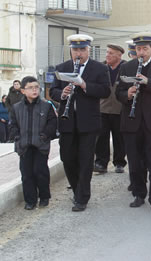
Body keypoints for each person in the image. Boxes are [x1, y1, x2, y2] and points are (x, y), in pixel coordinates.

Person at [50, 34, 111, 212]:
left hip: (88, 122)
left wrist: (84, 85)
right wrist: (62, 94)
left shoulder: (99, 68)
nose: (78, 53)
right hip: (67, 121)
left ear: (88, 50)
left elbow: (105, 91)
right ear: (71, 50)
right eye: (75, 50)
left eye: (82, 50)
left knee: (85, 160)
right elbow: (53, 91)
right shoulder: (62, 68)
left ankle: (82, 197)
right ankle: (77, 189)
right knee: (67, 158)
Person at [116, 33, 151, 211]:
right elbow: (118, 93)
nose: (141, 52)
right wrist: (128, 94)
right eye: (138, 49)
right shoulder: (127, 67)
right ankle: (139, 194)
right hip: (132, 122)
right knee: (134, 160)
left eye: (145, 49)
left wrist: (147, 82)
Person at [9, 76, 57, 210]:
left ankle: (44, 197)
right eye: (30, 88)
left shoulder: (46, 106)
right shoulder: (16, 107)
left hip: (40, 145)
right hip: (24, 146)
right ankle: (30, 200)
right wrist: (17, 137)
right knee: (26, 173)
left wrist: (45, 135)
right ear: (23, 91)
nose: (34, 90)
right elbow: (12, 125)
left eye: (36, 87)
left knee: (40, 171)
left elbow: (52, 123)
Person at [94, 44, 127, 174]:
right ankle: (101, 163)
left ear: (119, 55)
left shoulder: (125, 68)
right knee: (102, 137)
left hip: (120, 108)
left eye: (111, 53)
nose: (107, 55)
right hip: (103, 108)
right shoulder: (101, 68)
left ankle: (119, 163)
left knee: (119, 137)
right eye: (107, 52)